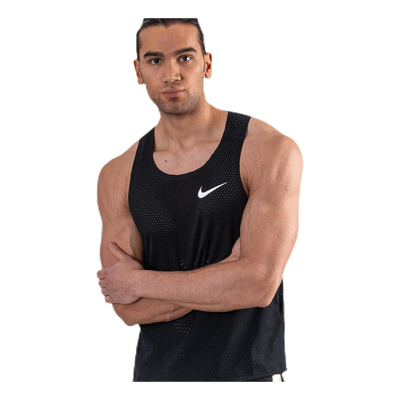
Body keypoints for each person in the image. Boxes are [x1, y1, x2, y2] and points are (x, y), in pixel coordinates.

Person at [94, 15, 305, 385]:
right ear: (137, 71)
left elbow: (257, 284)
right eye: (155, 60)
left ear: (208, 64)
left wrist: (140, 281)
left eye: (185, 57)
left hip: (248, 376)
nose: (171, 74)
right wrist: (228, 274)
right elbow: (127, 307)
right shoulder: (117, 174)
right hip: (156, 378)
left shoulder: (267, 149)